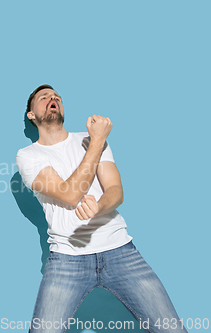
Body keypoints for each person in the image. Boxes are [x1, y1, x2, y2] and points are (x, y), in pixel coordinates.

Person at [16, 84, 186, 333]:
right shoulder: (28, 155)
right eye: (44, 97)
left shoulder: (90, 140)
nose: (52, 99)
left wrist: (99, 206)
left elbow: (116, 191)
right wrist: (97, 141)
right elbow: (70, 194)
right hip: (67, 258)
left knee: (172, 329)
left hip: (121, 251)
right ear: (31, 114)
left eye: (57, 97)